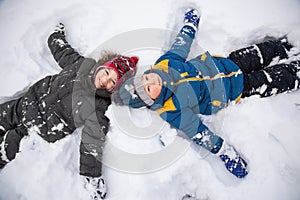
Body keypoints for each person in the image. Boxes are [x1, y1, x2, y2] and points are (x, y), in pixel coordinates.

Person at [114, 9, 300, 179]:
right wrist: (225, 153)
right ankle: (296, 73)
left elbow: (181, 45)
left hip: (229, 63)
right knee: (274, 80)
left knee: (264, 51)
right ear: (151, 101)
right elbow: (199, 133)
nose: (150, 81)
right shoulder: (171, 109)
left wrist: (189, 26)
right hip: (237, 90)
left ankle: (291, 45)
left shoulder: (165, 64)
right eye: (147, 89)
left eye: (144, 79)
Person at [0, 23, 138, 199]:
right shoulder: (81, 65)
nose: (106, 81)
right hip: (25, 104)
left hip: (37, 130)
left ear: (114, 90)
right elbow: (62, 52)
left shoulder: (99, 106)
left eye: (113, 82)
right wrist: (55, 36)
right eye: (108, 73)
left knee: (9, 145)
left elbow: (92, 141)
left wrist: (92, 177)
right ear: (103, 66)